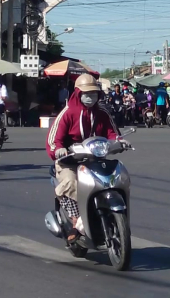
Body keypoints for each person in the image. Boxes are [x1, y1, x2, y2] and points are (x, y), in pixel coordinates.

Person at [45, 74, 125, 240]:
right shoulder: (67, 113)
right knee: (70, 182)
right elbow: (54, 139)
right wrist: (58, 149)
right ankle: (75, 220)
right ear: (78, 93)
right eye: (87, 94)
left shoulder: (102, 112)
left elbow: (112, 133)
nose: (90, 97)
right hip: (69, 160)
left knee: (114, 177)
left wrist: (119, 142)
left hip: (95, 158)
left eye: (94, 93)